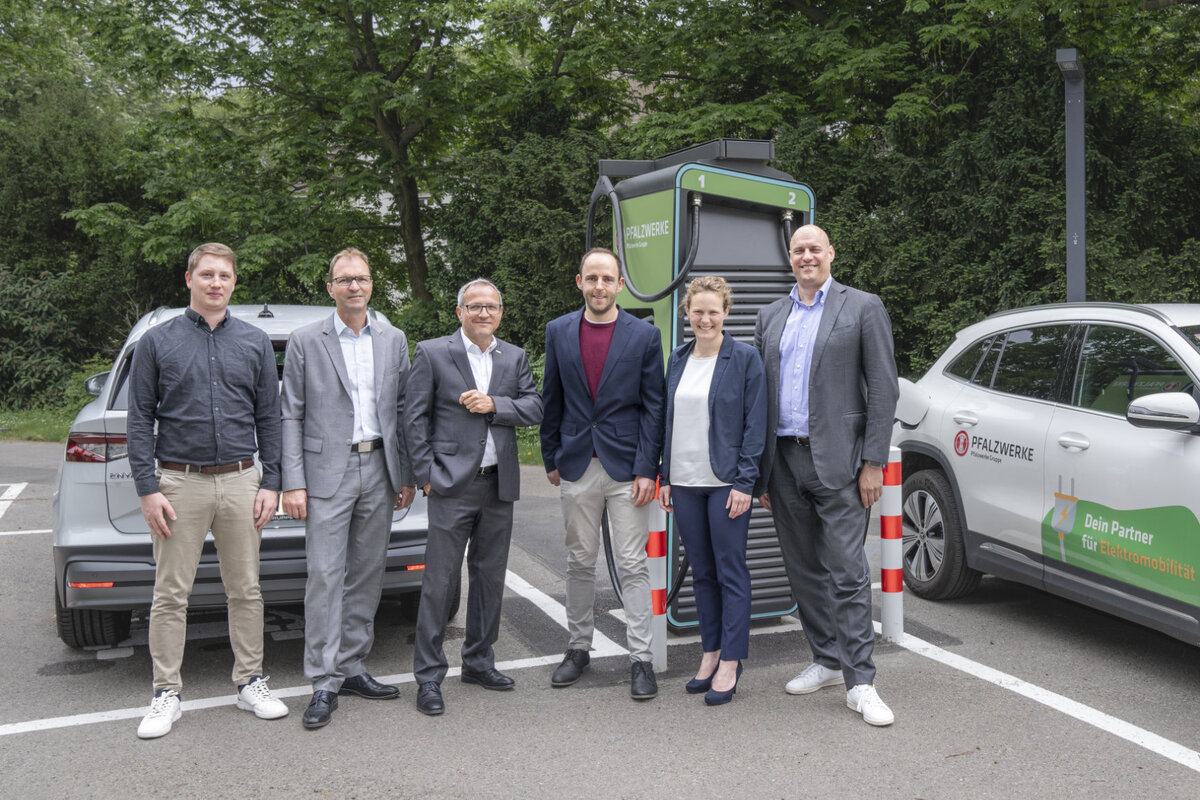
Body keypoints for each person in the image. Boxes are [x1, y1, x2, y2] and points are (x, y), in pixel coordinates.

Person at [128, 242, 288, 739]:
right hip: (179, 484)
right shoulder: (158, 342)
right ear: (189, 279)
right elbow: (139, 421)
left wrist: (273, 481)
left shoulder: (255, 341)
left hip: (243, 481)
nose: (216, 283)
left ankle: (250, 682)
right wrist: (148, 488)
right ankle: (165, 693)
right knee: (170, 593)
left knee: (246, 589)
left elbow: (269, 415)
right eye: (207, 275)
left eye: (224, 276)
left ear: (234, 282)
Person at [754, 224, 899, 726]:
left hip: (840, 462)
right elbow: (757, 397)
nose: (806, 256)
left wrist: (873, 462)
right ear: (789, 257)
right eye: (798, 250)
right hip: (783, 461)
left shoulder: (862, 307)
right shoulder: (772, 315)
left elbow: (884, 388)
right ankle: (826, 658)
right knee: (802, 570)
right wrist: (758, 475)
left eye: (815, 248)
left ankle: (861, 682)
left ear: (831, 254)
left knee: (848, 572)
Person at [280, 247, 416, 730]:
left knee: (366, 572)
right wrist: (291, 482)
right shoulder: (304, 340)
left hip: (379, 469)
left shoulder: (393, 338)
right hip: (325, 476)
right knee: (324, 574)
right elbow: (290, 413)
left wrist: (407, 475)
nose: (354, 286)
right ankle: (322, 679)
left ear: (372, 283)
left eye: (361, 278)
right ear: (330, 288)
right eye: (344, 280)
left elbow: (403, 411)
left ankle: (354, 665)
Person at [405, 278, 543, 716]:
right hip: (450, 485)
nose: (484, 313)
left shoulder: (514, 356)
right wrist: (426, 476)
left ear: (501, 312)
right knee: (439, 582)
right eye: (475, 306)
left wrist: (494, 405)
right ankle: (429, 677)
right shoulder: (432, 352)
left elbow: (535, 407)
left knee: (489, 577)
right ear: (460, 311)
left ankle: (479, 662)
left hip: (497, 485)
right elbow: (412, 418)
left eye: (491, 306)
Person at [541, 247, 666, 701]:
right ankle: (578, 648)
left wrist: (648, 468)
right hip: (576, 464)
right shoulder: (558, 331)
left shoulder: (643, 336)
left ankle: (641, 660)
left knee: (632, 564)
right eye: (591, 278)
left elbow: (655, 406)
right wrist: (551, 455)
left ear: (620, 284)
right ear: (579, 282)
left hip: (627, 469)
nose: (598, 286)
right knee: (578, 562)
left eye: (606, 279)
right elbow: (550, 396)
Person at [658, 276, 766, 706]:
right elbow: (668, 421)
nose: (705, 318)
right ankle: (711, 651)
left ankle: (732, 660)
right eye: (697, 311)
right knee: (701, 572)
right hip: (684, 483)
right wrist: (665, 475)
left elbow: (755, 425)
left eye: (713, 311)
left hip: (724, 485)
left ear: (726, 313)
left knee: (730, 572)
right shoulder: (678, 358)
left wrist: (745, 482)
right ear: (687, 313)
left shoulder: (744, 359)